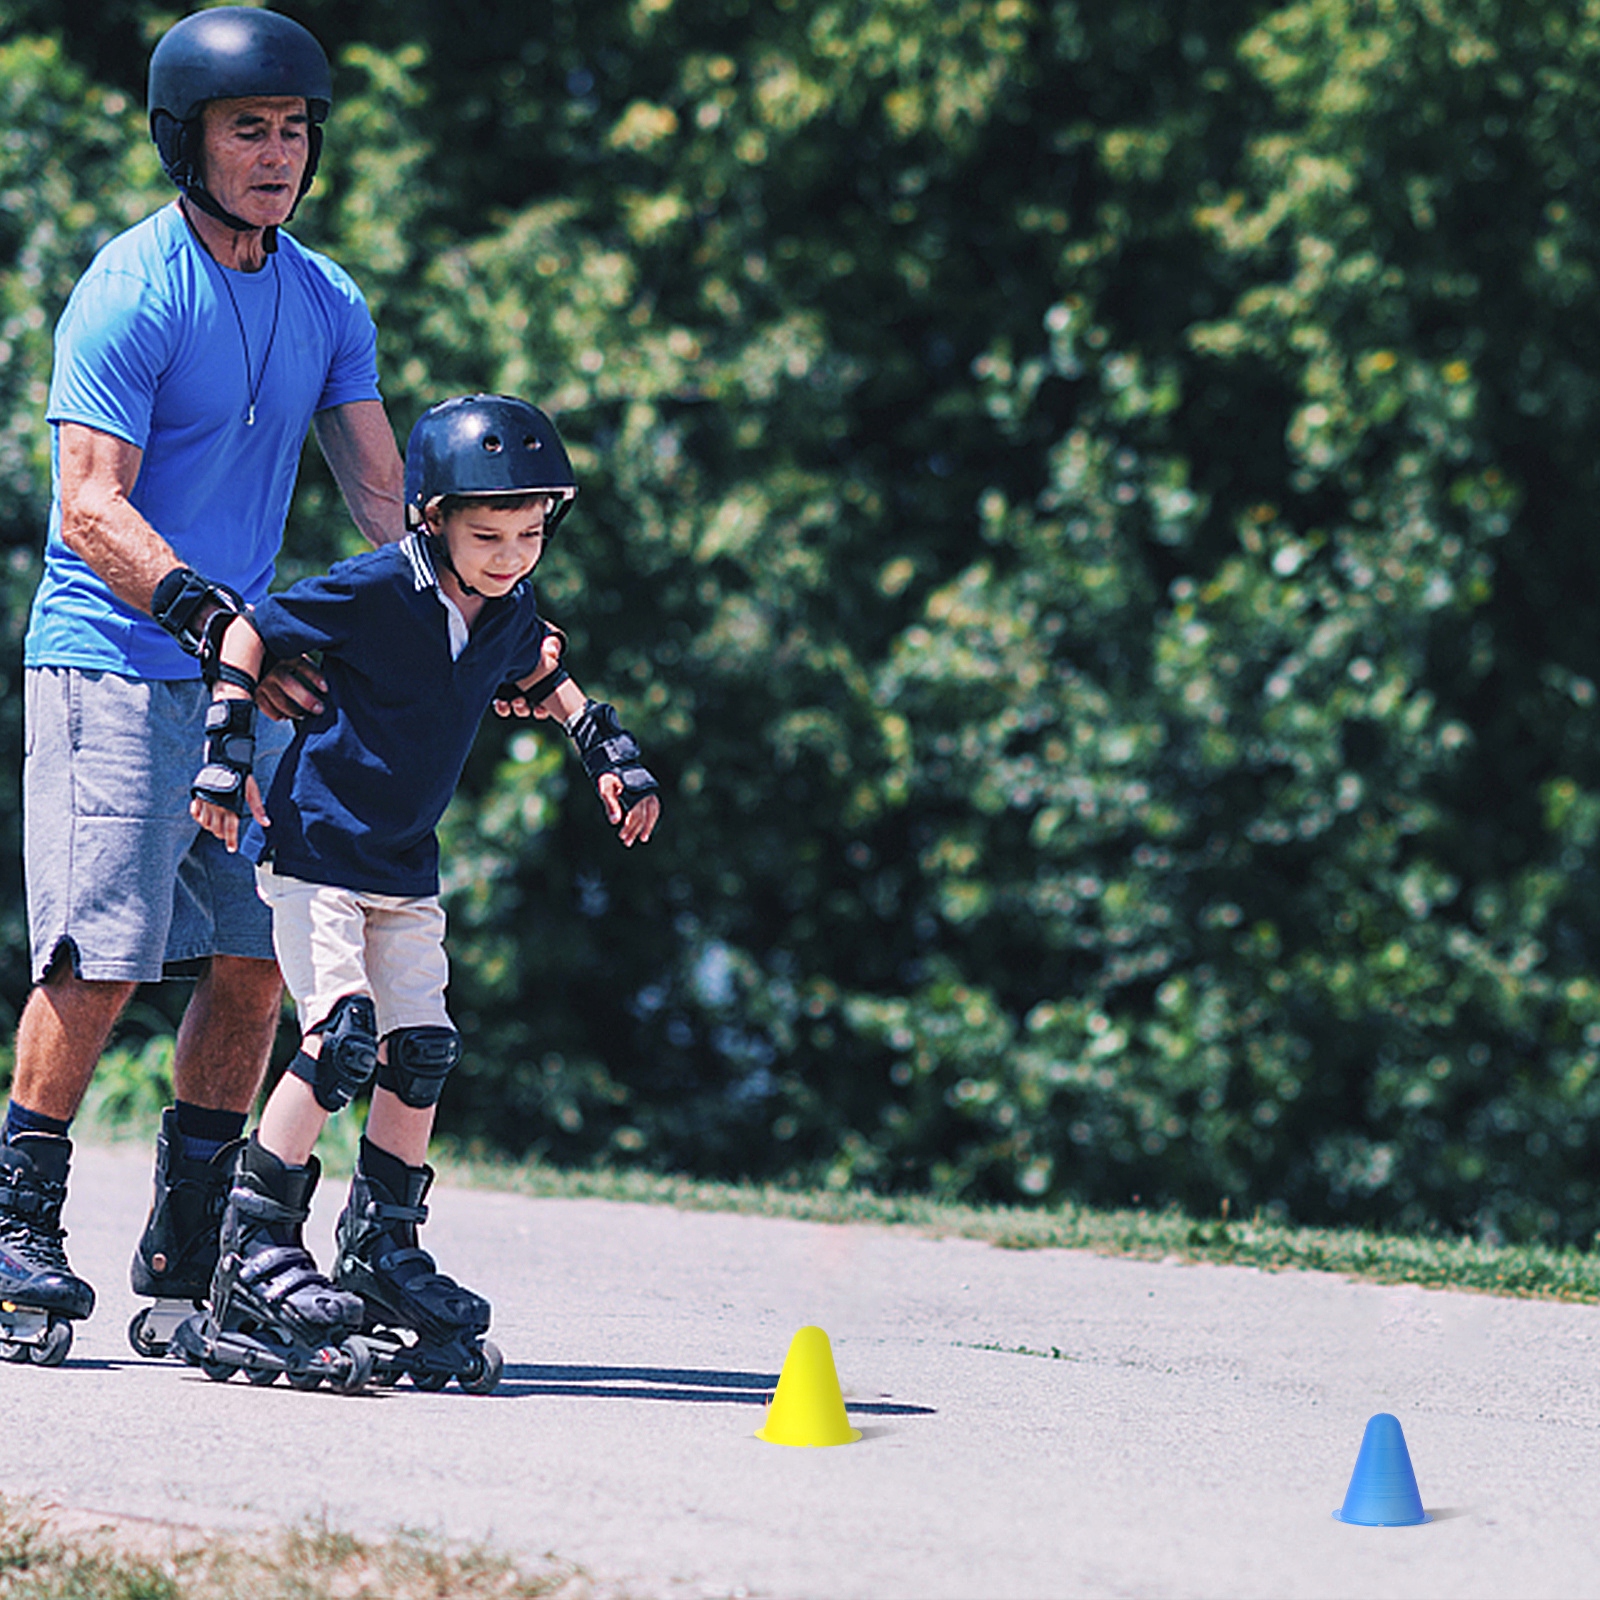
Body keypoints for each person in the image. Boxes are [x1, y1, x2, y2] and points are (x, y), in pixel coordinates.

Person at [0, 8, 409, 1366]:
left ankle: (190, 1261)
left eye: (294, 132)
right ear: (190, 140)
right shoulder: (131, 287)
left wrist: (472, 602)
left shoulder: (328, 298)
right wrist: (213, 616)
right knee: (101, 956)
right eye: (250, 131)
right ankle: (17, 1230)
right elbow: (88, 506)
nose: (277, 156)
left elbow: (377, 494)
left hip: (242, 679)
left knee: (254, 968)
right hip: (112, 662)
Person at [174, 393, 661, 1393]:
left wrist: (605, 748)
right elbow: (249, 633)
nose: (511, 555)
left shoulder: (509, 605)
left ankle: (381, 1244)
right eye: (488, 535)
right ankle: (248, 1254)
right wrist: (223, 753)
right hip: (319, 854)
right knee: (340, 1035)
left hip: (404, 866)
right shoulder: (375, 591)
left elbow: (543, 666)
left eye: (530, 534)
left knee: (421, 1048)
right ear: (429, 516)